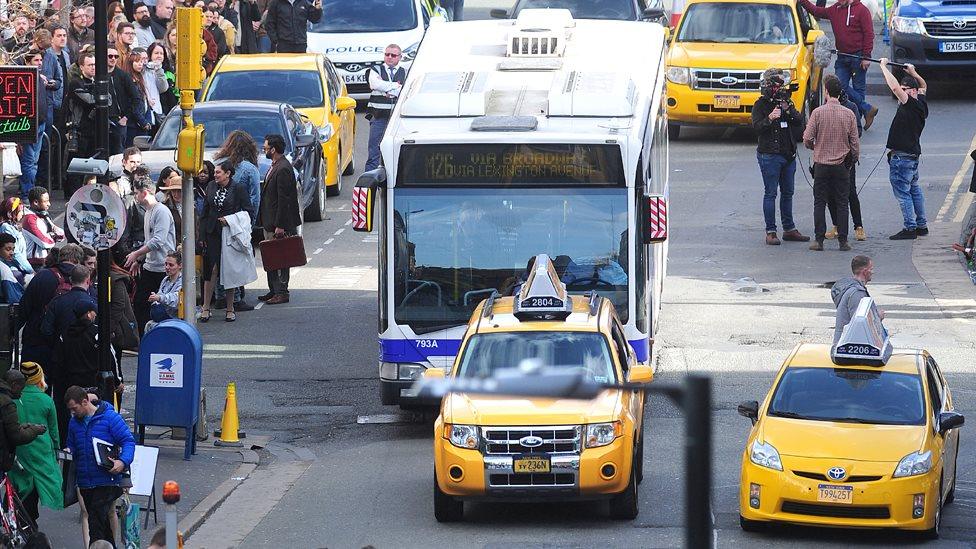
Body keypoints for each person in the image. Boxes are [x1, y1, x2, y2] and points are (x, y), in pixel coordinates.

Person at [64, 385, 136, 548]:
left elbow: (128, 441)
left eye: (74, 409)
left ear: (84, 402)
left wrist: (122, 462)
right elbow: (72, 445)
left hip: (107, 479)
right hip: (85, 481)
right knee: (101, 524)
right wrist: (69, 450)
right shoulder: (74, 423)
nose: (73, 413)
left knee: (95, 525)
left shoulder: (110, 418)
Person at [798, 0, 878, 129]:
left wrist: (866, 56)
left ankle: (856, 123)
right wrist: (803, 1)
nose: (838, 1)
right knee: (839, 86)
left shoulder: (862, 10)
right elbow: (816, 11)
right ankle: (867, 109)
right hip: (842, 56)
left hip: (858, 57)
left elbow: (869, 34)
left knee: (858, 90)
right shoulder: (835, 9)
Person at [751, 69, 809, 246]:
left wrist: (788, 109)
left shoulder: (786, 102)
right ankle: (771, 231)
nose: (781, 89)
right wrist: (769, 118)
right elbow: (756, 127)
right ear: (769, 86)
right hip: (769, 155)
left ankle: (789, 229)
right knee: (771, 193)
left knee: (788, 193)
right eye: (778, 85)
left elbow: (799, 122)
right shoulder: (760, 105)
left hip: (788, 155)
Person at [803, 74, 859, 252]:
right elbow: (855, 143)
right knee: (842, 202)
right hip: (841, 165)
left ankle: (819, 240)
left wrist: (814, 147)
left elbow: (806, 138)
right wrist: (853, 159)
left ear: (826, 92)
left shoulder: (818, 113)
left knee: (820, 202)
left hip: (821, 164)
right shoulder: (849, 113)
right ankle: (843, 240)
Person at [200, 161, 256, 322]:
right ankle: (206, 308)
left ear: (228, 173)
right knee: (210, 270)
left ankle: (230, 308)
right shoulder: (210, 186)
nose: (215, 175)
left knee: (228, 270)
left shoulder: (238, 188)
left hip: (229, 234)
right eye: (215, 172)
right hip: (212, 233)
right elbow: (205, 212)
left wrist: (231, 220)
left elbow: (249, 211)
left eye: (218, 172)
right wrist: (201, 237)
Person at [880, 59, 929, 241]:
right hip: (912, 156)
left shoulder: (911, 104)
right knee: (914, 190)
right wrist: (913, 73)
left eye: (905, 89)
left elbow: (894, 88)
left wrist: (883, 67)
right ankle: (921, 225)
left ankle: (910, 228)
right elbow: (923, 85)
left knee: (903, 193)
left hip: (902, 157)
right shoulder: (922, 104)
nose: (902, 91)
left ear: (913, 91)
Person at [8, 363, 63, 523]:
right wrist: (56, 449)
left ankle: (17, 518)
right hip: (41, 450)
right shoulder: (46, 400)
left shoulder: (13, 398)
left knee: (20, 484)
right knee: (41, 484)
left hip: (18, 449)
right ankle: (29, 520)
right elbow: (54, 431)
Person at [213, 131, 260, 311]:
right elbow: (255, 199)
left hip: (221, 219)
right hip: (239, 220)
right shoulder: (249, 169)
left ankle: (220, 296)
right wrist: (250, 223)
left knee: (221, 258)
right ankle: (237, 298)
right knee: (238, 259)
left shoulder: (220, 165)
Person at [124, 175, 177, 336]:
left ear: (145, 192)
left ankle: (153, 338)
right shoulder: (148, 211)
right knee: (141, 304)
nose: (134, 196)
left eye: (136, 193)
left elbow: (158, 241)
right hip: (150, 266)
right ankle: (144, 338)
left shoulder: (161, 211)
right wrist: (139, 260)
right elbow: (150, 241)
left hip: (162, 267)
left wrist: (135, 254)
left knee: (157, 307)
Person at [18, 244, 85, 369]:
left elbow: (24, 308)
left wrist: (12, 332)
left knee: (35, 382)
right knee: (63, 385)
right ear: (78, 260)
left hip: (36, 340)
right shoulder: (81, 280)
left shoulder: (43, 276)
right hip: (67, 344)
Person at [260, 135, 301, 305]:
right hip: (270, 220)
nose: (264, 150)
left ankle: (282, 291)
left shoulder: (283, 168)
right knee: (271, 257)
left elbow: (284, 200)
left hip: (278, 223)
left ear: (273, 150)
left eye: (266, 147)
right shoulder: (276, 166)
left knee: (280, 258)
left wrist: (280, 225)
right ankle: (274, 290)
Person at [826, 89, 866, 242]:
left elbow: (858, 131)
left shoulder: (851, 107)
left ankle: (859, 226)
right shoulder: (825, 107)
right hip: (829, 156)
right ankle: (836, 225)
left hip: (846, 157)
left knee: (850, 192)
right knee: (830, 194)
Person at [366, 44, 406, 172]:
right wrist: (395, 86)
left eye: (393, 55)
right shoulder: (375, 69)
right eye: (387, 54)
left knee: (398, 148)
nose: (389, 57)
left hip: (397, 118)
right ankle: (369, 183)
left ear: (400, 57)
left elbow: (405, 90)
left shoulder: (405, 71)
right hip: (378, 116)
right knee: (374, 150)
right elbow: (374, 83)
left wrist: (385, 87)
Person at [0, 371, 46, 477]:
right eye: (21, 388)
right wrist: (35, 430)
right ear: (14, 385)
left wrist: (21, 427)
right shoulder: (7, 403)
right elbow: (16, 437)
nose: (22, 392)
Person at [831, 255, 884, 343]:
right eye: (871, 269)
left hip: (845, 345)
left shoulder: (851, 288)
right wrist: (878, 317)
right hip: (848, 348)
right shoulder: (857, 293)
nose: (873, 272)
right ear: (865, 271)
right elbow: (859, 325)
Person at [65, 52, 97, 197]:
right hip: (79, 130)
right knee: (76, 165)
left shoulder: (99, 81)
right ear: (82, 67)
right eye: (90, 65)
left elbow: (108, 100)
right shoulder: (76, 82)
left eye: (95, 64)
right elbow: (88, 100)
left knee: (92, 165)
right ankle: (72, 194)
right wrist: (99, 97)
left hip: (95, 129)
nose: (93, 68)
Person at [23, 187, 66, 269]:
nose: (49, 204)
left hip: (47, 260)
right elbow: (45, 243)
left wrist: (50, 235)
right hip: (36, 264)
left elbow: (62, 235)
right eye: (45, 201)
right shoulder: (29, 220)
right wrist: (54, 235)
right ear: (36, 202)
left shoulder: (44, 215)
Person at [107, 45, 139, 155]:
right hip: (101, 120)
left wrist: (126, 117)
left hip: (118, 120)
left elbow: (136, 98)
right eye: (110, 56)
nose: (113, 59)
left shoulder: (123, 76)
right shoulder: (97, 74)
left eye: (116, 56)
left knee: (118, 152)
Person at [122, 49, 155, 146]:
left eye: (141, 61)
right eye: (137, 62)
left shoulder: (140, 78)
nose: (140, 64)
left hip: (143, 121)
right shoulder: (128, 80)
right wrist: (143, 122)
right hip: (133, 124)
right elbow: (133, 104)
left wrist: (147, 121)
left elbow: (145, 102)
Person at [0, 197, 35, 282]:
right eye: (20, 211)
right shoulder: (6, 228)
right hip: (13, 268)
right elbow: (15, 253)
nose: (22, 214)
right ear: (12, 213)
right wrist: (30, 270)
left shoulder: (13, 226)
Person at [146, 251, 182, 330]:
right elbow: (160, 294)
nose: (167, 267)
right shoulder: (165, 279)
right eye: (166, 264)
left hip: (174, 319)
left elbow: (176, 299)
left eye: (171, 265)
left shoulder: (182, 281)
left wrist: (159, 298)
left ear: (180, 266)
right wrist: (154, 299)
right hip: (162, 318)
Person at [0, 234, 25, 304]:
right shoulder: (4, 269)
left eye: (13, 249)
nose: (12, 253)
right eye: (8, 249)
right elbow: (15, 298)